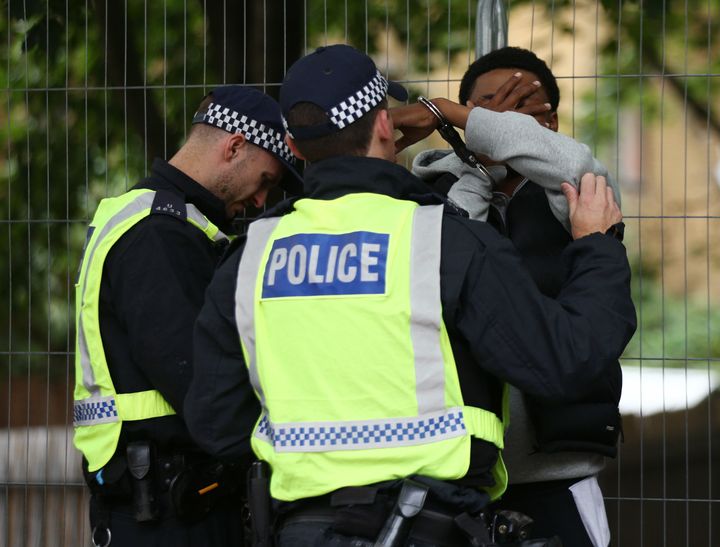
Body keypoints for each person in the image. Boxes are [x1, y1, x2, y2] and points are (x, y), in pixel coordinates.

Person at [184, 44, 636, 547]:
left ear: (290, 142)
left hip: (302, 527)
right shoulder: (441, 238)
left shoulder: (250, 255)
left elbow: (218, 423)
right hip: (430, 522)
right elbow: (565, 358)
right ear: (385, 125)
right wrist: (597, 247)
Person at [391, 46, 626, 547]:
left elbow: (574, 162)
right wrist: (480, 164)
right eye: (487, 108)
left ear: (551, 123)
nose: (502, 122)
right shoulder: (429, 193)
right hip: (453, 472)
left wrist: (455, 114)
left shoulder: (580, 194)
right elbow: (446, 261)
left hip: (555, 472)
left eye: (520, 109)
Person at [72, 85, 300, 546]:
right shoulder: (160, 235)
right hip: (170, 512)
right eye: (265, 180)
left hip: (164, 499)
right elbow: (201, 382)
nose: (261, 201)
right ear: (234, 146)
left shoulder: (160, 219)